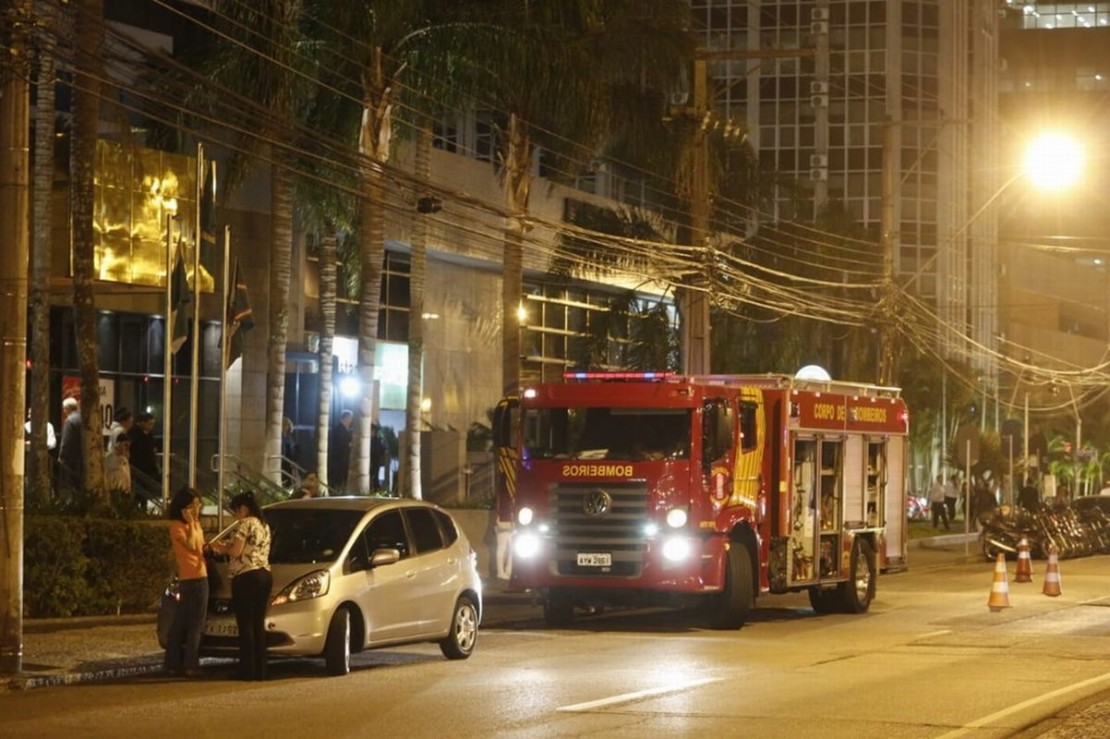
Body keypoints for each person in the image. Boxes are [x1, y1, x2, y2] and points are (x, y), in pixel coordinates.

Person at [210, 491, 272, 681]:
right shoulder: (264, 525)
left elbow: (236, 551)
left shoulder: (245, 524)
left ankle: (246, 670)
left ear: (243, 509)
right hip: (264, 574)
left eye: (235, 511)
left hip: (246, 576)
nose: (235, 516)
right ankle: (261, 670)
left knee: (245, 625)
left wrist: (221, 548)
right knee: (258, 624)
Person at [164, 486, 208, 677]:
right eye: (191, 506)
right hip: (191, 578)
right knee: (191, 624)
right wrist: (190, 524)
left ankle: (177, 662)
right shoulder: (177, 526)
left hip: (200, 574)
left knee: (187, 622)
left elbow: (200, 546)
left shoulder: (196, 524)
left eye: (198, 505)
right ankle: (188, 664)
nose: (196, 510)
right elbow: (190, 545)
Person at [128, 412, 160, 506]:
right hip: (138, 466)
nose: (151, 427)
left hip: (148, 468)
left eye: (152, 424)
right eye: (149, 424)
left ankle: (143, 507)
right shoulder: (134, 433)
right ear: (142, 422)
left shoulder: (149, 435)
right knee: (137, 491)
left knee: (145, 492)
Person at [58, 397, 83, 497]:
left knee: (69, 484)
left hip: (71, 459)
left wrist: (61, 456)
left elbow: (66, 441)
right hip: (82, 457)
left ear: (67, 409)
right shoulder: (83, 419)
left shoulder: (69, 422)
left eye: (64, 409)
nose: (63, 411)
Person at [328, 410, 354, 490]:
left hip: (343, 460)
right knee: (338, 480)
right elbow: (339, 444)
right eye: (350, 419)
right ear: (346, 418)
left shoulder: (346, 429)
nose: (351, 421)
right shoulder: (339, 429)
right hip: (339, 460)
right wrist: (348, 444)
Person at [281, 417, 300, 488]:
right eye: (286, 425)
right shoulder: (280, 437)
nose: (288, 427)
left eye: (289, 425)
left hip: (290, 461)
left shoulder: (289, 437)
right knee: (286, 479)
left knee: (291, 479)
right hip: (284, 462)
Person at [370, 422, 386, 491]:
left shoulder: (377, 440)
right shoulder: (374, 440)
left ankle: (376, 489)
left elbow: (382, 450)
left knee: (375, 477)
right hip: (373, 462)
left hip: (375, 462)